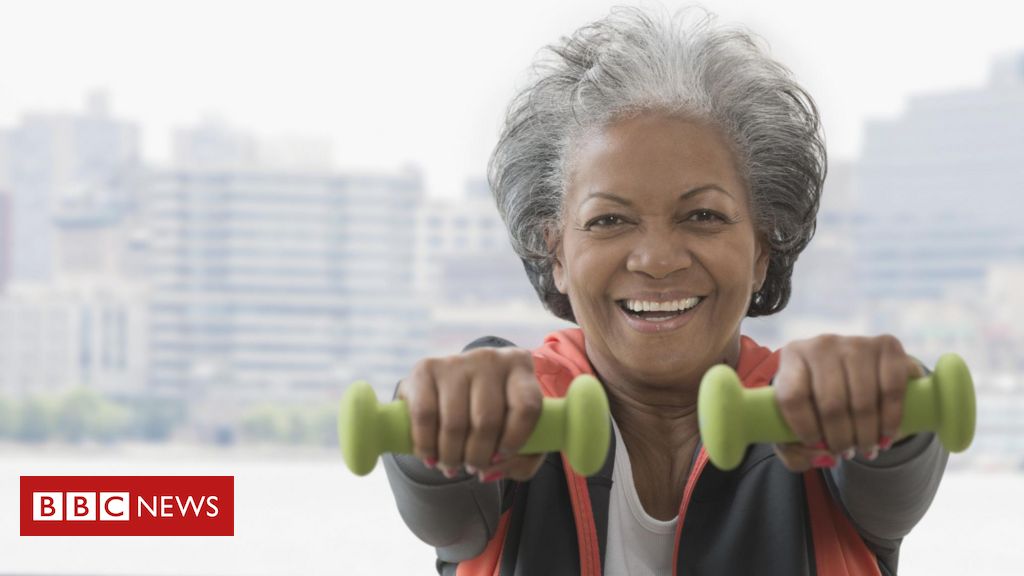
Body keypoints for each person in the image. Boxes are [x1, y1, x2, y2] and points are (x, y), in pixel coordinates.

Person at [383, 7, 947, 575]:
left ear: (760, 250)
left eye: (702, 215)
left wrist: (884, 391)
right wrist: (438, 409)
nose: (656, 260)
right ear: (556, 252)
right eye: (608, 221)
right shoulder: (514, 413)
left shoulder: (824, 421)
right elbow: (440, 500)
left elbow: (904, 453)